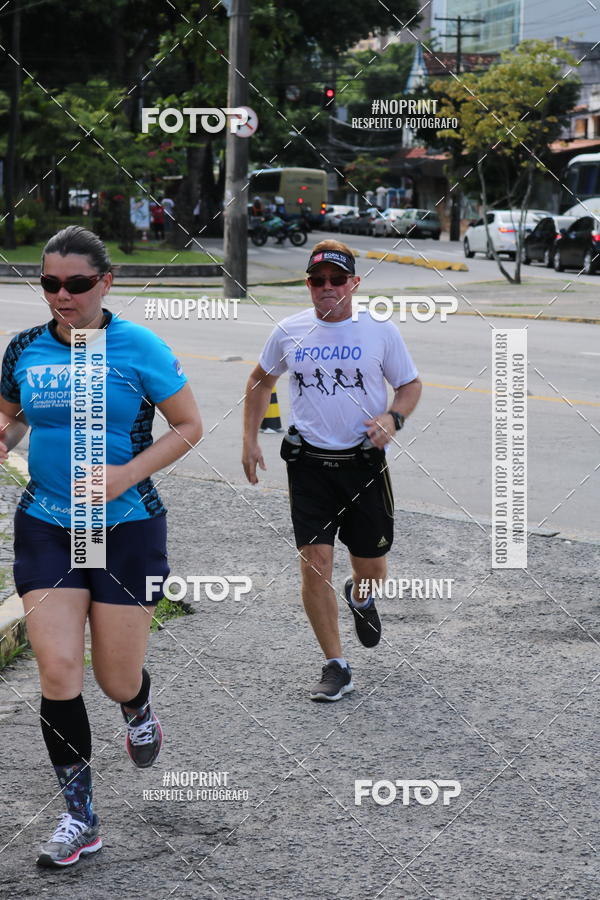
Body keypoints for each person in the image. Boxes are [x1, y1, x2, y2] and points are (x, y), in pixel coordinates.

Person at [0, 226, 202, 867]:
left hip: (126, 526)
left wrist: (125, 475)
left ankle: (137, 705)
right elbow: (10, 415)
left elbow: (189, 425)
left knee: (114, 678)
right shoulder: (24, 348)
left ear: (106, 282)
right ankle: (80, 818)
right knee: (59, 670)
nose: (62, 296)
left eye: (77, 284)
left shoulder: (139, 346)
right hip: (48, 522)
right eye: (50, 283)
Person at [242, 239, 422, 702]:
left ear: (354, 283)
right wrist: (249, 440)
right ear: (308, 284)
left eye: (337, 280)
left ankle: (360, 594)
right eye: (317, 280)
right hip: (309, 467)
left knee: (372, 567)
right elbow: (261, 379)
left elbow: (409, 385)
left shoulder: (380, 331)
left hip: (363, 465)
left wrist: (393, 417)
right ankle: (336, 665)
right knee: (314, 562)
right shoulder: (290, 331)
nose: (327, 287)